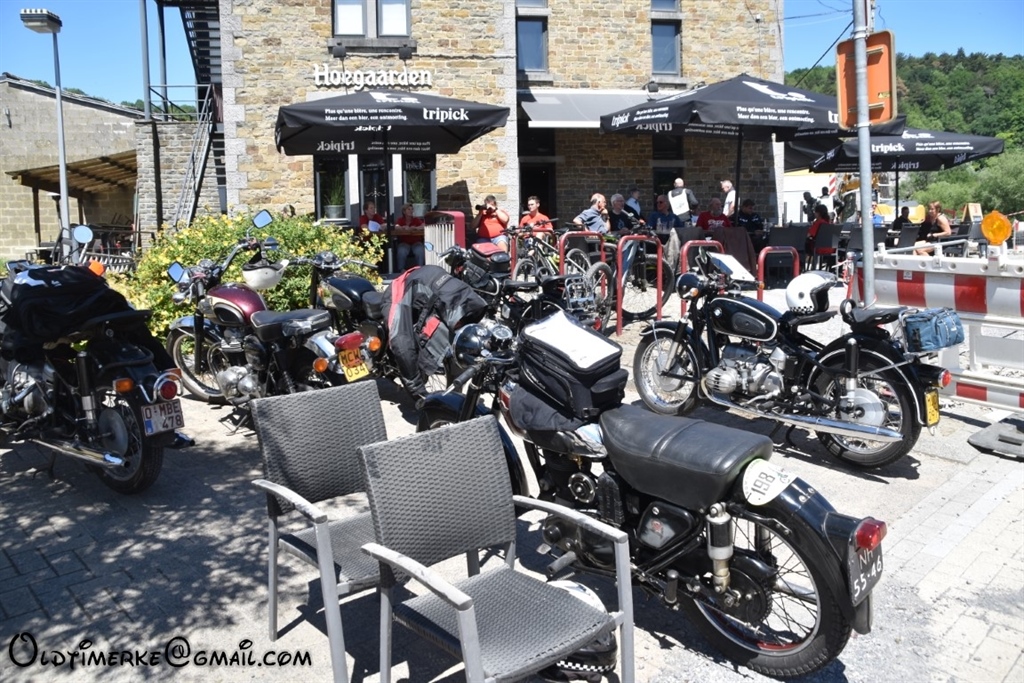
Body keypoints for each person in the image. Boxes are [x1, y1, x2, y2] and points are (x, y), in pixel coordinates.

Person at [394, 203, 425, 269]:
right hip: (404, 242)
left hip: (416, 242)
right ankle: (401, 270)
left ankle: (420, 269)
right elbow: (396, 227)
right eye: (408, 209)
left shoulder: (416, 219)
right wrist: (403, 228)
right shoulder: (400, 220)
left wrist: (415, 228)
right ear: (404, 211)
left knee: (420, 250)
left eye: (412, 209)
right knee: (401, 251)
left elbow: (423, 226)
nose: (411, 211)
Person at [805, 203, 835, 269]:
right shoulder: (830, 223)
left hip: (819, 248)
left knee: (801, 247)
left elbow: (809, 235)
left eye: (815, 212)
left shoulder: (818, 223)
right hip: (831, 248)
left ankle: (802, 267)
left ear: (818, 213)